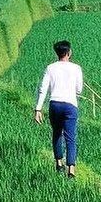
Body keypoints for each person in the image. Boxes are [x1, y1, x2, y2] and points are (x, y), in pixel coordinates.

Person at [34, 40, 83, 177]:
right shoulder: (76, 68)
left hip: (54, 104)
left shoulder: (50, 68)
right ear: (68, 53)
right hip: (70, 105)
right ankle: (71, 170)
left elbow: (43, 89)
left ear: (58, 53)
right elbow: (79, 90)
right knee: (70, 138)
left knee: (57, 133)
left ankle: (59, 163)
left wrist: (38, 109)